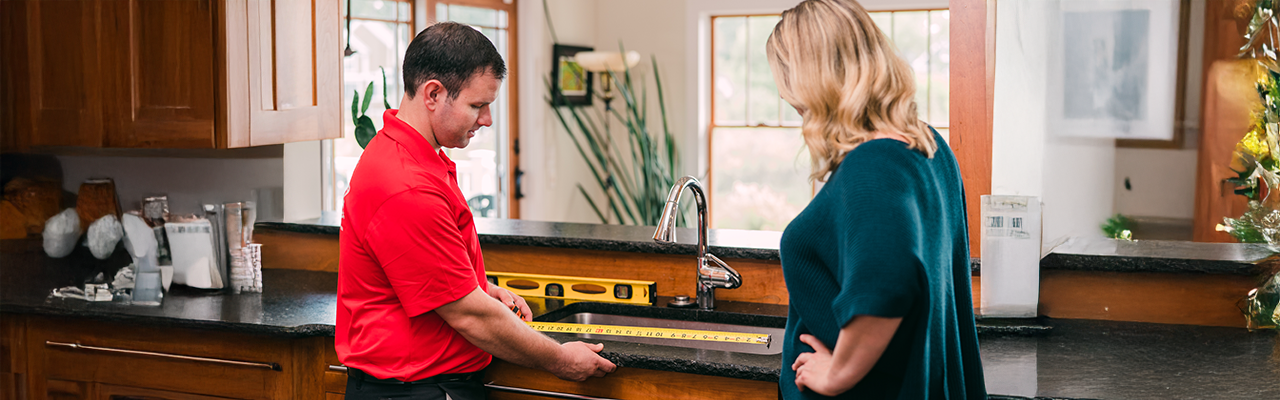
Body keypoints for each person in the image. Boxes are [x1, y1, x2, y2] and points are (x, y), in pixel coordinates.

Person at [336, 22, 616, 400]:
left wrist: (481, 289)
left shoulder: (411, 156)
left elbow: (430, 278)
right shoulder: (406, 185)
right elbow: (470, 316)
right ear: (433, 93)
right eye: (477, 105)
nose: (486, 120)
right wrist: (561, 359)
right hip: (417, 391)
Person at [765, 1, 987, 398]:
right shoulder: (928, 145)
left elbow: (887, 282)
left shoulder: (873, 166)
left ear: (807, 77)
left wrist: (839, 372)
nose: (787, 97)